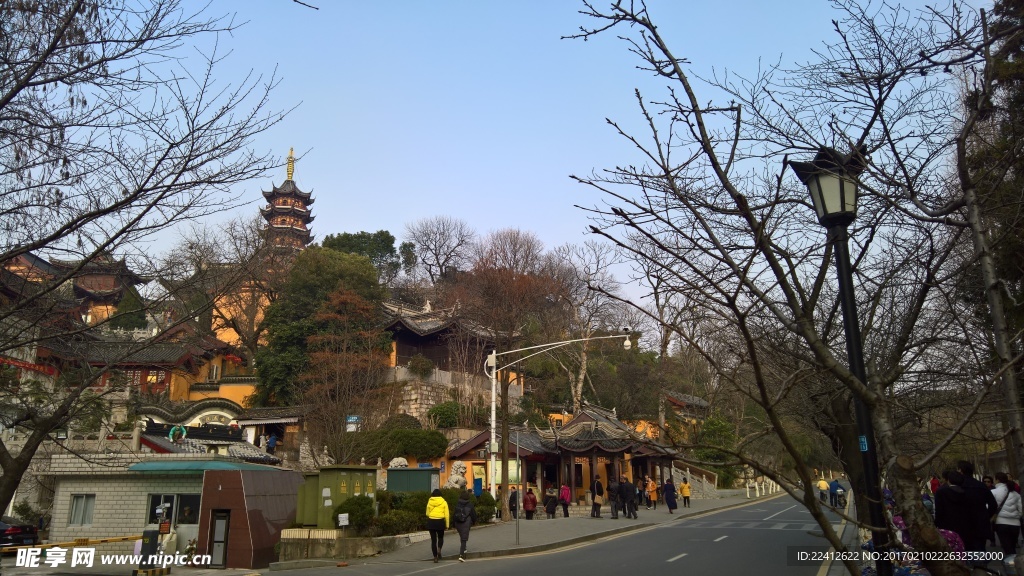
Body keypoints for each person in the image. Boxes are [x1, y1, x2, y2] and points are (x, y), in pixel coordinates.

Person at [955, 460, 998, 558]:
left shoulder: (958, 487)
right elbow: (993, 504)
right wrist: (986, 516)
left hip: (962, 525)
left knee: (964, 553)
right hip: (980, 524)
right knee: (980, 552)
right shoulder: (981, 485)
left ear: (961, 471)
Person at [993, 472, 1022, 555]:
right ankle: (1014, 563)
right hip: (1015, 523)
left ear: (997, 480)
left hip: (1001, 522)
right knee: (1012, 546)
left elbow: (989, 507)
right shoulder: (1016, 494)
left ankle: (1010, 564)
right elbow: (1020, 509)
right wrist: (1016, 517)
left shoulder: (994, 492)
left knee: (1007, 547)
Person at [425, 488, 449, 562]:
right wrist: (447, 525)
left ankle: (435, 557)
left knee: (433, 540)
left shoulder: (430, 501)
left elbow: (427, 513)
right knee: (441, 537)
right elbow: (447, 515)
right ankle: (439, 549)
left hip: (431, 521)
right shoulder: (444, 502)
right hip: (440, 522)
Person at [452, 489, 476, 562]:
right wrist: (474, 522)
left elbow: (454, 515)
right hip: (465, 523)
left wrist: (453, 525)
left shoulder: (457, 504)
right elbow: (473, 515)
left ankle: (464, 549)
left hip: (458, 523)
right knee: (464, 539)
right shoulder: (470, 505)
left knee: (462, 537)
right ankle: (461, 555)